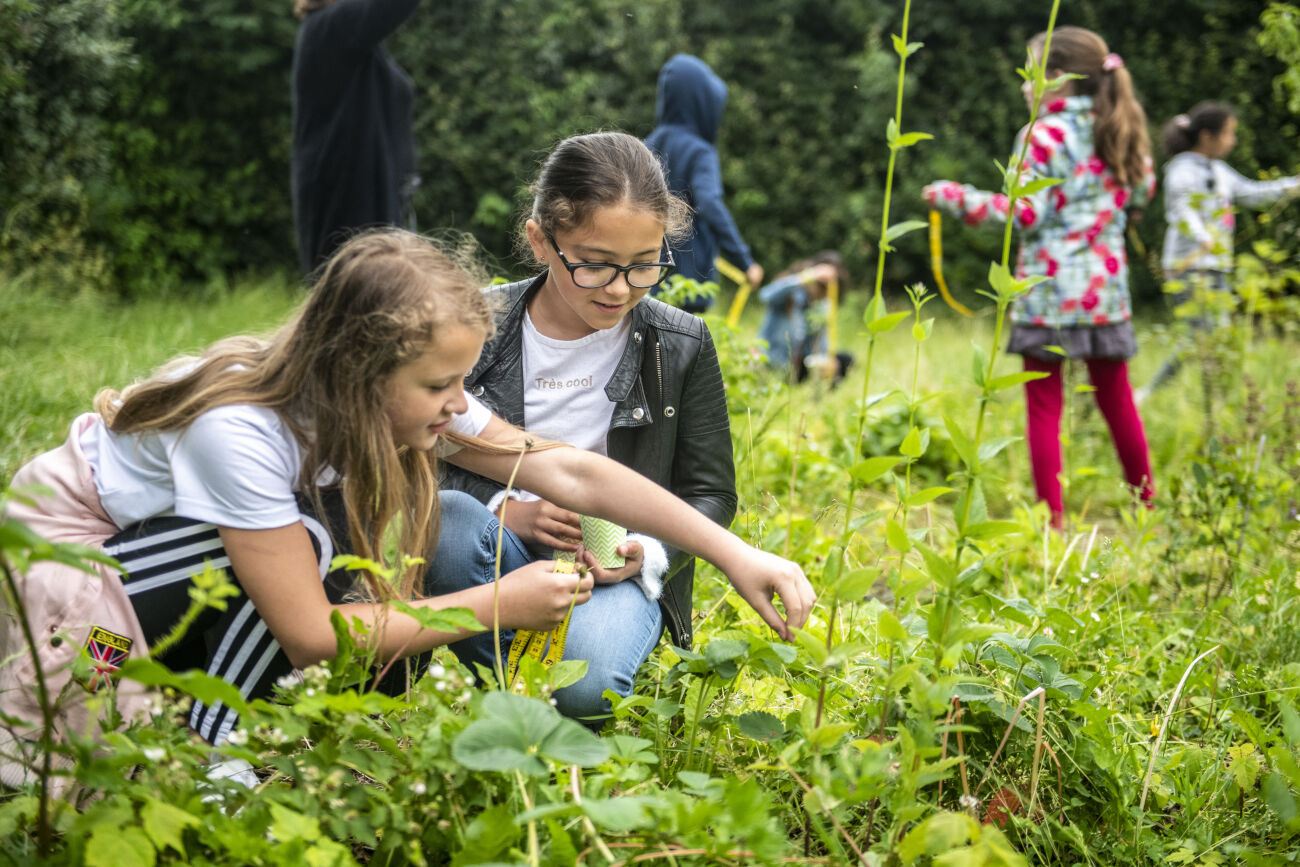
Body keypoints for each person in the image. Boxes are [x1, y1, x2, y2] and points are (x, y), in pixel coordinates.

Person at [1, 230, 814, 775]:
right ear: (360, 370)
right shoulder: (241, 434)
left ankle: (212, 735)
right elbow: (313, 634)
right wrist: (496, 602)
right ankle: (185, 737)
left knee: (319, 548)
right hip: (74, 577)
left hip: (163, 567)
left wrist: (734, 552)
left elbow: (575, 474)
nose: (460, 405)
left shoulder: (378, 405)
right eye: (440, 384)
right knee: (88, 737)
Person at [441, 131, 737, 722]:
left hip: (608, 573)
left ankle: (542, 676)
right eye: (596, 266)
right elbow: (415, 451)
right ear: (540, 241)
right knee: (449, 523)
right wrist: (504, 507)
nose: (621, 288)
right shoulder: (472, 325)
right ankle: (508, 682)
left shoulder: (680, 343)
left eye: (645, 265)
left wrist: (646, 550)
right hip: (494, 546)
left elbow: (712, 492)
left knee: (582, 689)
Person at [923, 26, 1156, 528]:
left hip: (1047, 294)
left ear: (1060, 79)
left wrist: (954, 196)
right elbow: (1141, 193)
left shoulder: (1040, 134)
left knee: (1045, 405)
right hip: (1106, 294)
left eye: (1031, 73)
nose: (1024, 86)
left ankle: (1053, 521)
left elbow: (1022, 214)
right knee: (1117, 400)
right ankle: (1147, 508)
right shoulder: (1121, 125)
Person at [1139, 101, 1300, 397]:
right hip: (1188, 265)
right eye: (1228, 133)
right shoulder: (1180, 170)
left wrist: (1293, 186)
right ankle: (1153, 393)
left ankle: (1217, 399)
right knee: (1198, 337)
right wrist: (1202, 236)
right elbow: (1180, 209)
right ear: (1207, 136)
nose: (1233, 140)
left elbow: (1253, 193)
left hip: (1216, 266)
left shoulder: (1221, 170)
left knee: (1218, 336)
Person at [291, 0, 422, 275]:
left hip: (376, 202)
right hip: (348, 208)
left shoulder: (354, 43)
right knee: (357, 306)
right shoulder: (328, 29)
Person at [645, 54, 763, 313]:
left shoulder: (643, 147)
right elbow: (709, 203)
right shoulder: (699, 151)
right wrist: (745, 262)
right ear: (702, 103)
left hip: (644, 276)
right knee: (683, 350)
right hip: (688, 282)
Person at [757, 251, 854, 385]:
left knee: (845, 360)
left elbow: (820, 342)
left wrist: (827, 360)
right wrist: (807, 276)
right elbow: (765, 295)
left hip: (800, 365)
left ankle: (820, 399)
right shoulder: (791, 292)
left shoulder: (821, 306)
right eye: (822, 287)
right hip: (776, 362)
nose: (824, 293)